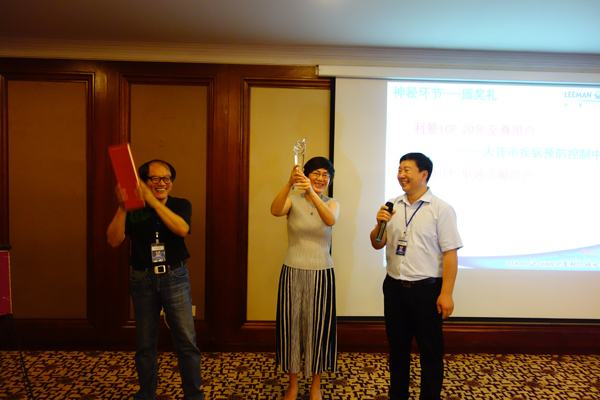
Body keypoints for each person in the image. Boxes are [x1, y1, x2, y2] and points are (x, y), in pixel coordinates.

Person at [107, 159, 205, 400]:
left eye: (167, 178)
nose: (162, 183)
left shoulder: (181, 204)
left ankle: (194, 396)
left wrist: (152, 201)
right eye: (155, 179)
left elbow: (181, 229)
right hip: (142, 278)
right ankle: (146, 394)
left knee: (186, 341)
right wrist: (122, 207)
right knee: (145, 343)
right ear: (143, 181)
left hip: (175, 276)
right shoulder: (134, 209)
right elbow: (113, 240)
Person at [369, 152, 462, 400]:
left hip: (427, 291)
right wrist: (379, 224)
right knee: (397, 350)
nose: (401, 175)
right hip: (395, 289)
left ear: (424, 174)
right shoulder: (392, 205)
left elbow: (450, 255)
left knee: (430, 352)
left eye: (407, 169)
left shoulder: (441, 209)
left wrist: (446, 294)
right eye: (399, 169)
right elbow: (377, 243)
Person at [270, 156, 340, 400]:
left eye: (326, 175)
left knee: (318, 329)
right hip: (292, 270)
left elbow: (329, 220)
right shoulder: (293, 201)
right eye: (316, 173)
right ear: (306, 175)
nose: (321, 178)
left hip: (322, 273)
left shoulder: (332, 203)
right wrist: (289, 183)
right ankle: (293, 384)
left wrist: (312, 193)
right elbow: (275, 210)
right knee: (291, 328)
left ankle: (315, 385)